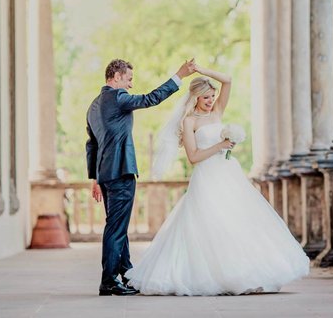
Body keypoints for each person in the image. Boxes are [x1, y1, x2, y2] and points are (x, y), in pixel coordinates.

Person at [125, 64, 310, 295]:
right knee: (210, 222)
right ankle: (213, 276)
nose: (211, 100)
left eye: (212, 96)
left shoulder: (217, 112)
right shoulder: (189, 121)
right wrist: (220, 145)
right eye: (206, 97)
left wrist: (201, 70)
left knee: (237, 220)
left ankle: (245, 272)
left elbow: (228, 80)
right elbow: (193, 157)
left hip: (228, 172)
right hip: (206, 176)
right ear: (195, 98)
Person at [86, 58, 196, 296]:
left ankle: (127, 274)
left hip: (106, 175)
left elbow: (92, 146)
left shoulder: (93, 106)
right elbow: (150, 99)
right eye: (128, 79)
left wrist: (95, 178)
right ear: (116, 77)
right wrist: (178, 75)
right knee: (116, 228)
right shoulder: (117, 97)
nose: (130, 85)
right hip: (121, 171)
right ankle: (109, 281)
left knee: (118, 226)